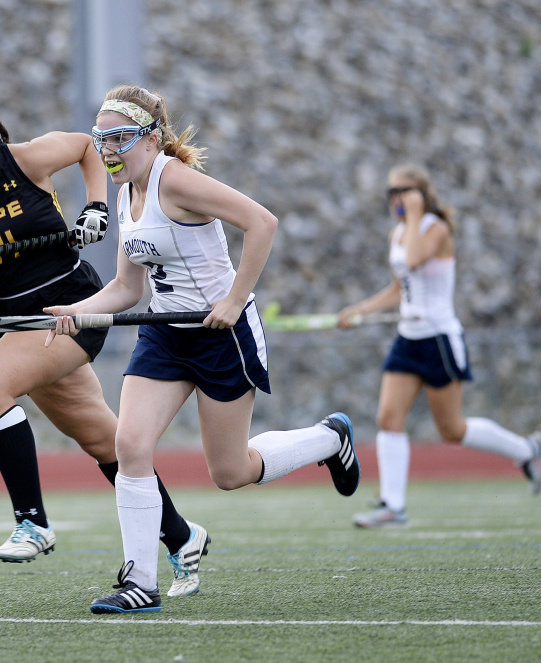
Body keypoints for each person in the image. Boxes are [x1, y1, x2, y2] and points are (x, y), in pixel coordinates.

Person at [45, 85, 361, 614]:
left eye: (120, 138)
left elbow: (263, 222)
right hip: (166, 333)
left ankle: (331, 438)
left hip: (221, 335)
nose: (109, 150)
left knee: (230, 472)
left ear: (151, 139)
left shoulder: (178, 181)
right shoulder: (127, 195)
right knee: (131, 444)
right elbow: (129, 289)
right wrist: (80, 311)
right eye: (102, 140)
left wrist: (236, 300)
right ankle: (140, 582)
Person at [0, 83, 211, 598]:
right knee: (105, 441)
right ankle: (182, 536)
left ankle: (32, 521)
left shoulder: (27, 160)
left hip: (71, 311)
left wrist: (96, 206)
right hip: (17, 324)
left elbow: (84, 147)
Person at [338, 163, 541, 528]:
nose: (396, 200)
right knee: (388, 417)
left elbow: (415, 259)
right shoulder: (398, 233)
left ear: (421, 195)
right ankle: (393, 507)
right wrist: (360, 311)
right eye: (392, 193)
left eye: (404, 192)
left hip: (439, 340)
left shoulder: (435, 230)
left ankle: (527, 450)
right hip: (408, 338)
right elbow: (400, 288)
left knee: (452, 430)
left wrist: (416, 213)